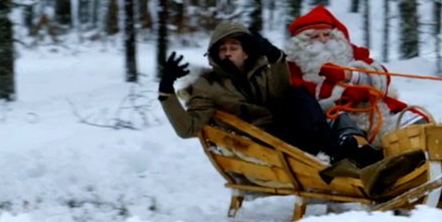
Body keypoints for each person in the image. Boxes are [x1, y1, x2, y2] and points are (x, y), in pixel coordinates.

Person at [157, 20, 377, 165]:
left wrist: (275, 57)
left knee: (299, 96)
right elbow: (188, 129)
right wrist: (166, 89)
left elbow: (282, 94)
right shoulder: (207, 85)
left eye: (233, 48)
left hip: (287, 133)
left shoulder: (260, 72)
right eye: (222, 49)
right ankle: (342, 154)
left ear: (245, 53)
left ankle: (350, 154)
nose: (227, 53)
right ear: (215, 55)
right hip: (260, 143)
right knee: (303, 106)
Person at [285, 5, 417, 151]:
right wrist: (342, 91)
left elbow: (381, 77)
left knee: (416, 125)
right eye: (315, 37)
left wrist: (348, 75)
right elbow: (304, 98)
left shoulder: (352, 53)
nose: (323, 40)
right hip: (334, 119)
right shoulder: (293, 66)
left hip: (376, 111)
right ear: (302, 43)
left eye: (327, 35)